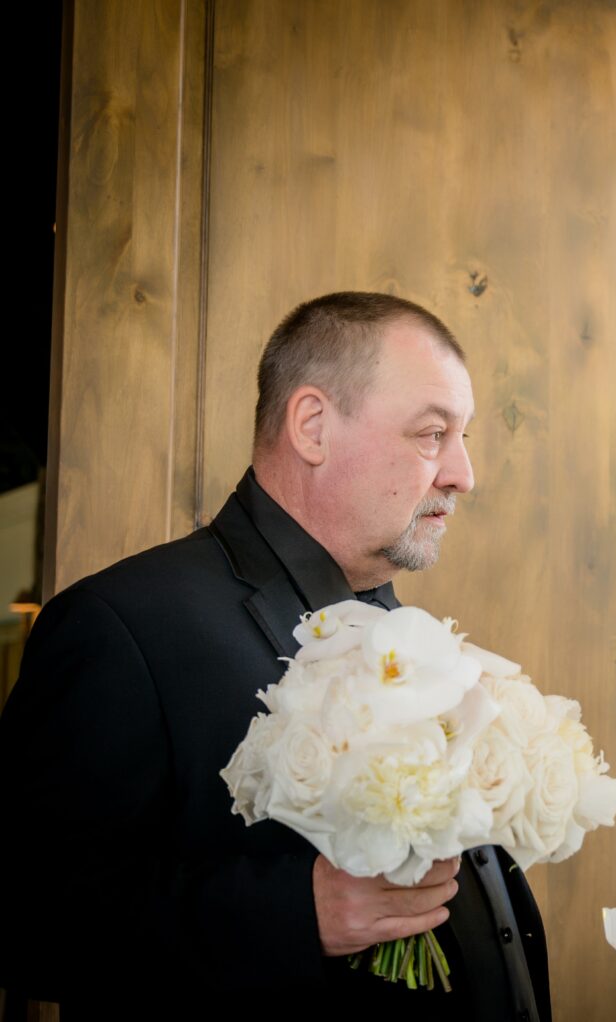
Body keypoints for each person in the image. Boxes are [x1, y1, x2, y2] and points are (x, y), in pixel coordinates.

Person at [0, 293, 549, 1022]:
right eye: (431, 434)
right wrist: (295, 915)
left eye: (464, 436)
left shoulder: (407, 631)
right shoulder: (123, 627)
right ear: (313, 426)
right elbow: (24, 917)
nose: (462, 473)